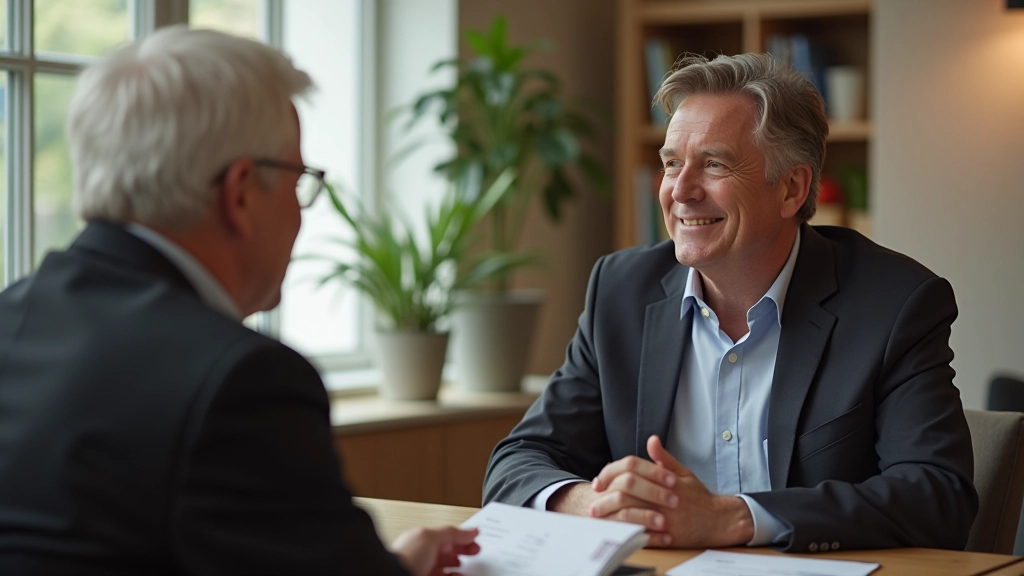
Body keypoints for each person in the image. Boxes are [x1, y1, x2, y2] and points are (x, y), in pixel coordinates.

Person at [0, 26, 477, 575]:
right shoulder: (240, 381)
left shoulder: (13, 316)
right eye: (300, 179)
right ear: (242, 191)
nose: (301, 212)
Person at [483, 53, 977, 553]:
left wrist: (733, 518)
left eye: (714, 164)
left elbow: (937, 496)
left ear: (791, 188)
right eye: (672, 163)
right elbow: (517, 462)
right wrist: (600, 505)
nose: (679, 190)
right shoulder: (620, 291)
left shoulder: (894, 304)